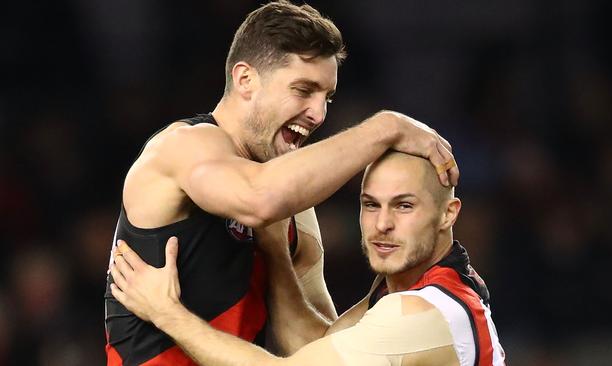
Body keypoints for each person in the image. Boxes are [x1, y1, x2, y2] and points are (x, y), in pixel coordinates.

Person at [103, 1, 459, 365]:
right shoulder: (183, 146)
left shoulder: (293, 200)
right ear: (245, 80)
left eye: (328, 97)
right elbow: (258, 198)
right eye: (304, 90)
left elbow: (313, 348)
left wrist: (276, 257)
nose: (319, 114)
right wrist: (386, 127)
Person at [110, 151, 506, 366]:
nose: (382, 224)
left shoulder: (420, 312)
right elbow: (313, 346)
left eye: (404, 207)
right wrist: (275, 248)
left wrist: (165, 312)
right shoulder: (417, 286)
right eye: (371, 205)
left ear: (449, 213)